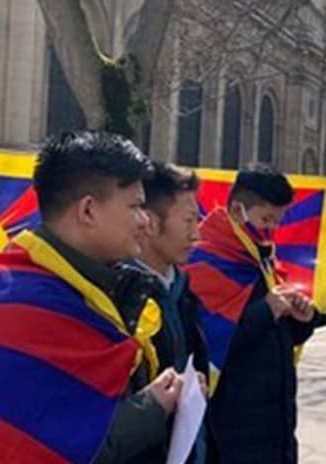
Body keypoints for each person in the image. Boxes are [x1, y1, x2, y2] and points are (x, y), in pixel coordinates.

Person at [0, 131, 182, 464]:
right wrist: (152, 409)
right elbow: (44, 451)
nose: (145, 221)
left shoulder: (96, 289)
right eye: (135, 206)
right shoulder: (18, 309)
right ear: (87, 211)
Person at [189, 164, 316, 464]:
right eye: (266, 218)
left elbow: (276, 334)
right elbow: (208, 345)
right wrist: (266, 311)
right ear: (237, 210)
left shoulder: (260, 258)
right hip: (231, 430)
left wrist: (302, 320)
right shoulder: (202, 261)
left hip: (276, 426)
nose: (272, 228)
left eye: (279, 220)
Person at [126, 161, 211, 464]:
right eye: (188, 220)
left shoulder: (185, 292)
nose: (196, 234)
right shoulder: (120, 299)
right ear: (149, 222)